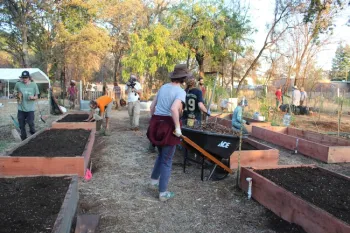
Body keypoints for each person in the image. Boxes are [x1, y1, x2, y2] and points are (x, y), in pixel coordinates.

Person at [147, 64, 189, 202]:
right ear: (183, 78)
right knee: (167, 160)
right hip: (168, 127)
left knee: (161, 156)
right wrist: (177, 128)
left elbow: (152, 107)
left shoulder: (163, 87)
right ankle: (163, 193)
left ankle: (153, 181)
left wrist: (154, 121)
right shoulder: (180, 92)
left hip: (156, 125)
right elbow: (173, 109)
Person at [13, 70, 40, 140]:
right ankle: (23, 139)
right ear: (21, 78)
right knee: (21, 125)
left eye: (26, 77)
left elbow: (37, 96)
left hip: (30, 109)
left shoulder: (34, 85)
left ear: (29, 78)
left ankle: (33, 135)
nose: (25, 79)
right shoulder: (18, 84)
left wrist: (33, 97)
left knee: (30, 123)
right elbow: (14, 92)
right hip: (21, 108)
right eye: (23, 77)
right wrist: (17, 95)